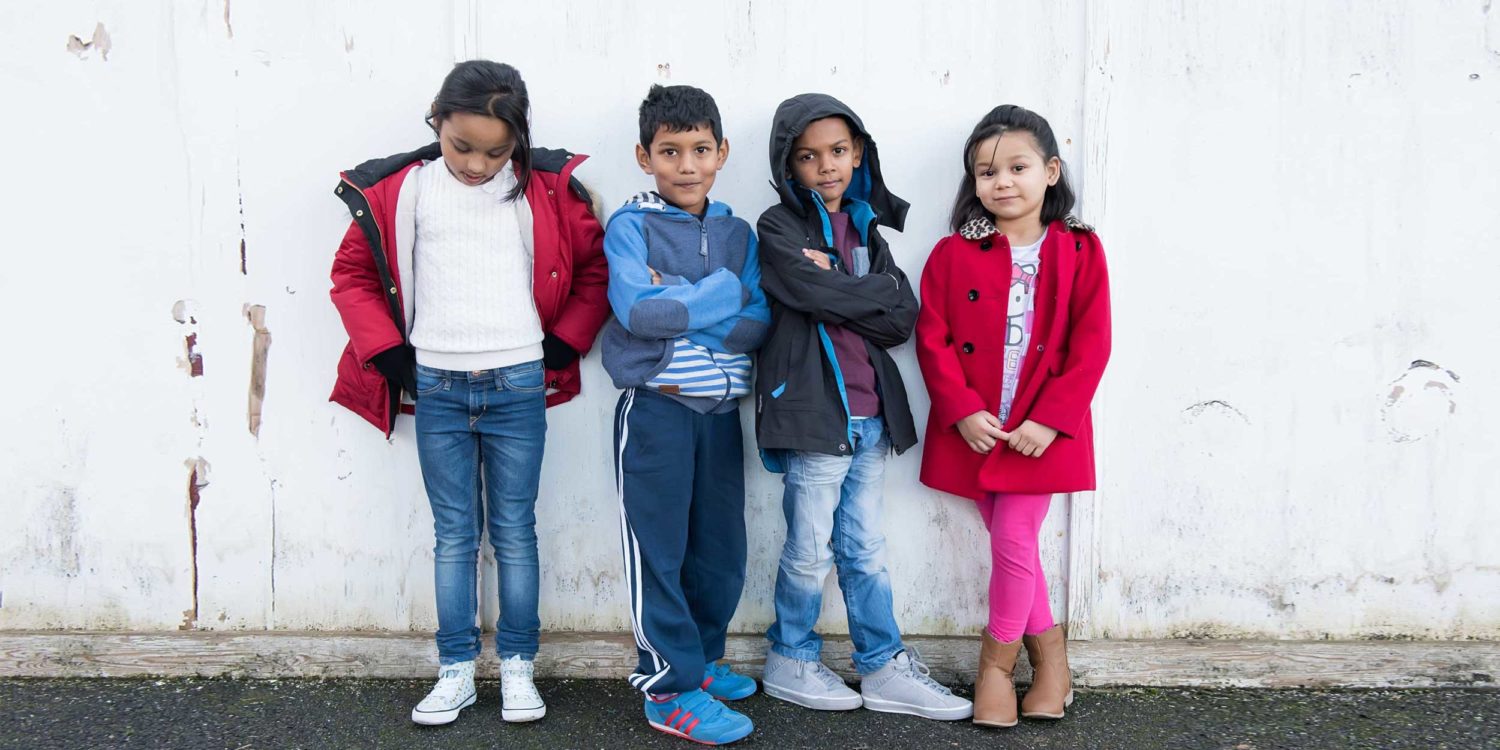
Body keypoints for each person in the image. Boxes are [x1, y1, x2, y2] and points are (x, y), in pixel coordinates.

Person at [327, 60, 610, 726]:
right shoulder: (403, 190)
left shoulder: (544, 189)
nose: (479, 164)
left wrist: (567, 341)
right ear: (437, 121)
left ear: (519, 137)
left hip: (518, 384)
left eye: (496, 150)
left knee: (515, 532)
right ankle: (455, 670)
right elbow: (352, 276)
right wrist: (389, 353)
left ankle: (518, 669)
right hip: (438, 387)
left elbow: (593, 271)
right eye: (462, 146)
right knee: (454, 535)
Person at [754, 93, 972, 721]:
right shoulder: (778, 227)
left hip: (870, 416)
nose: (827, 166)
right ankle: (789, 656)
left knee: (865, 549)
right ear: (788, 165)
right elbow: (805, 287)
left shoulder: (866, 227)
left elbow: (902, 317)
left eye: (840, 151)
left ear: (858, 154)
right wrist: (860, 291)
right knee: (808, 549)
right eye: (809, 156)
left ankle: (883, 668)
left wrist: (840, 285)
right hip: (815, 417)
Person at [915, 104, 1111, 727]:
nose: (1001, 181)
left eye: (1017, 166)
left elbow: (1092, 341)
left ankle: (995, 670)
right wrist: (963, 411)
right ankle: (1053, 662)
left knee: (1014, 541)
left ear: (1050, 171)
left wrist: (1050, 420)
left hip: (1040, 433)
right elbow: (933, 337)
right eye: (984, 171)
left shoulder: (1080, 248)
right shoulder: (953, 253)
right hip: (980, 431)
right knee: (1014, 546)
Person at [602, 84, 770, 745]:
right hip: (657, 412)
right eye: (670, 151)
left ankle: (699, 662)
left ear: (722, 152)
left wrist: (689, 303)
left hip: (720, 413)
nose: (688, 165)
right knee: (659, 552)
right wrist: (724, 293)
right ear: (645, 157)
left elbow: (757, 322)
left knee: (720, 552)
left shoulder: (737, 232)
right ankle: (667, 687)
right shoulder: (630, 226)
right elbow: (639, 313)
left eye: (701, 149)